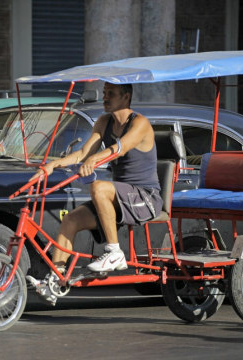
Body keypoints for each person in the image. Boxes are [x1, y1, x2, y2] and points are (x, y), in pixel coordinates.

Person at [27, 82, 163, 303]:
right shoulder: (103, 121)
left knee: (99, 186)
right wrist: (52, 165)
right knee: (70, 220)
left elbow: (121, 148)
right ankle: (56, 281)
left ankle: (114, 252)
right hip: (119, 199)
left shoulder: (140, 123)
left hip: (145, 197)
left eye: (111, 94)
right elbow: (82, 153)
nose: (105, 98)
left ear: (126, 97)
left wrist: (94, 159)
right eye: (104, 93)